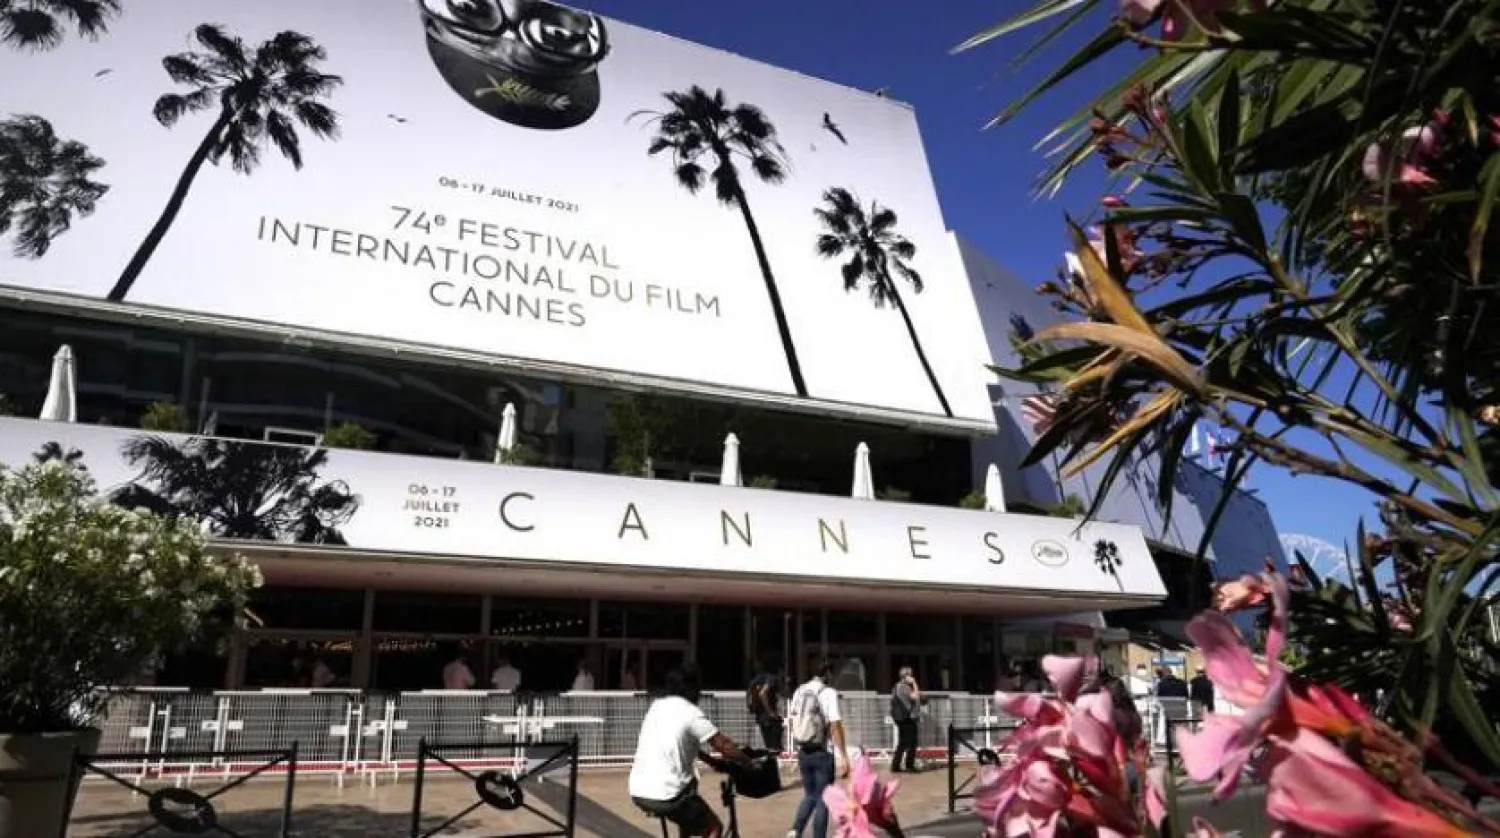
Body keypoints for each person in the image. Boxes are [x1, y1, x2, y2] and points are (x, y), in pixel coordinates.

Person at [629, 664, 750, 838]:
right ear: (692, 689)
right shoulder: (691, 713)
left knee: (690, 790)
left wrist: (712, 761)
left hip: (639, 790)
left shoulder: (657, 706)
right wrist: (749, 762)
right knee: (713, 828)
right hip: (667, 794)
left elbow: (678, 743)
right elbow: (723, 745)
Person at [787, 657, 848, 838]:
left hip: (804, 750)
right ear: (827, 673)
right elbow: (835, 724)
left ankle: (796, 830)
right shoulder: (828, 692)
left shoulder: (800, 691)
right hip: (823, 752)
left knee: (809, 795)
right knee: (823, 798)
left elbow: (793, 720)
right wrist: (843, 755)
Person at [746, 661, 783, 753]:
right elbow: (763, 693)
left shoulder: (756, 679)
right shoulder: (771, 677)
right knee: (775, 746)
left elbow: (749, 693)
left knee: (769, 746)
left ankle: (771, 759)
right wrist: (770, 712)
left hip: (760, 716)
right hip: (769, 717)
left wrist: (751, 707)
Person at [889, 666, 921, 773]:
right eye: (910, 675)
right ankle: (909, 765)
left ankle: (895, 765)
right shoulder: (904, 687)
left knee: (903, 742)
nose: (912, 677)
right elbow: (915, 696)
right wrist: (914, 683)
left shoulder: (896, 687)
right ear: (905, 676)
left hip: (901, 717)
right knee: (912, 742)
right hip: (908, 717)